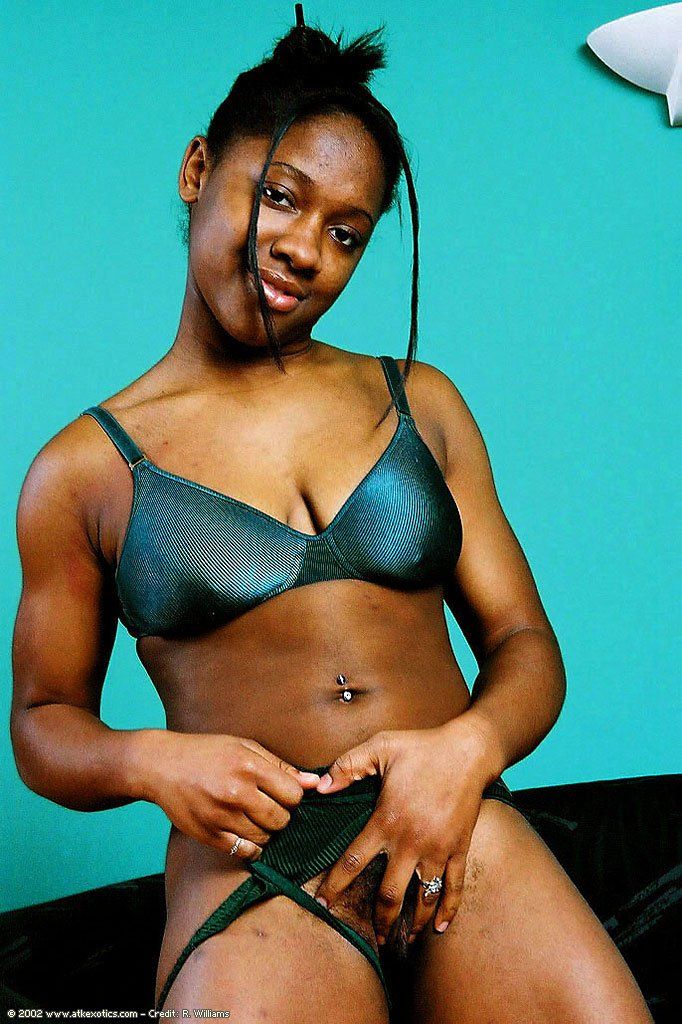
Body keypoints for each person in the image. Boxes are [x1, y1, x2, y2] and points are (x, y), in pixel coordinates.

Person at [10, 7, 654, 1022]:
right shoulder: (84, 469)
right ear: (196, 169)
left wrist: (466, 750)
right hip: (253, 871)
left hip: (452, 824)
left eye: (345, 233)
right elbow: (43, 724)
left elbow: (525, 646)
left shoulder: (420, 403)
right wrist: (151, 760)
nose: (305, 249)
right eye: (280, 196)